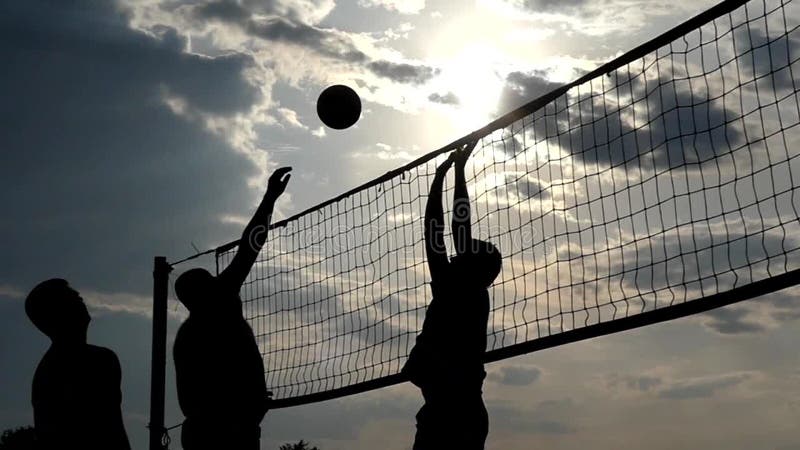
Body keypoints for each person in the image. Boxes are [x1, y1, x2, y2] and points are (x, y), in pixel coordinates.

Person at [173, 167, 291, 450]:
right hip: (221, 433)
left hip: (219, 429)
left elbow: (250, 246)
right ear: (202, 295)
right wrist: (270, 198)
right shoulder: (211, 312)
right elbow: (250, 246)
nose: (220, 279)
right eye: (211, 281)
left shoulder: (189, 334)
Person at [402, 142, 502, 450]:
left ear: (473, 268)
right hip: (447, 413)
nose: (457, 255)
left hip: (456, 417)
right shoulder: (458, 288)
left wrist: (449, 174)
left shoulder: (464, 293)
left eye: (464, 254)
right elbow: (442, 232)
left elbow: (447, 230)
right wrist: (449, 172)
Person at [25, 279, 131, 450]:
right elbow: (111, 427)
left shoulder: (48, 370)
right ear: (53, 314)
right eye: (70, 296)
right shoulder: (97, 360)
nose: (78, 297)